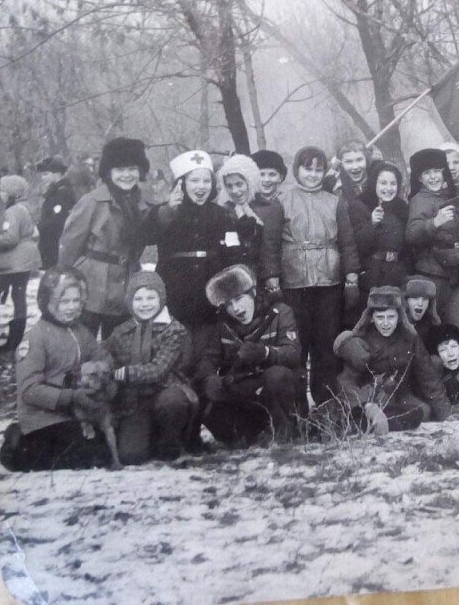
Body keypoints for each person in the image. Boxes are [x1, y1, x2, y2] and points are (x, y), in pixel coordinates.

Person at [0, 267, 110, 472]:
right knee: (82, 456)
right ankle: (18, 442)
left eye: (76, 301)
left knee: (104, 450)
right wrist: (71, 396)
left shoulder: (80, 331)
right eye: (64, 301)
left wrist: (102, 370)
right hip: (43, 417)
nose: (71, 307)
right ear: (47, 301)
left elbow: (101, 357)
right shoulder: (36, 337)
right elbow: (29, 390)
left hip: (74, 414)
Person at [143, 150, 242, 381]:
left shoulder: (221, 214)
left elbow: (232, 254)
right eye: (194, 180)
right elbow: (145, 236)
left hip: (210, 297)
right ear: (181, 183)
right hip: (175, 295)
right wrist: (167, 210)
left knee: (206, 357)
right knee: (179, 356)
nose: (201, 187)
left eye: (206, 181)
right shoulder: (166, 211)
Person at [279, 146, 360, 405]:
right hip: (294, 283)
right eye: (307, 169)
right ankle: (296, 407)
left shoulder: (334, 201)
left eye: (318, 169)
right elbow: (271, 244)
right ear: (296, 170)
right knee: (297, 344)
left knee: (326, 345)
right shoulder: (282, 200)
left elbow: (347, 242)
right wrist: (272, 279)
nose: (313, 174)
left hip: (329, 283)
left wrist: (351, 278)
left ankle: (326, 404)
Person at [199, 264, 307, 446]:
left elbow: (293, 352)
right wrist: (209, 379)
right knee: (205, 392)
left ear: (253, 293)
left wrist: (265, 353)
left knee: (277, 376)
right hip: (245, 390)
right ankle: (242, 438)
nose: (236, 308)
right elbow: (208, 359)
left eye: (239, 299)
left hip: (279, 391)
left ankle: (286, 436)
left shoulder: (279, 312)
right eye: (228, 304)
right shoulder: (223, 326)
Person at [59, 137, 151, 339]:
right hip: (92, 286)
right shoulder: (92, 201)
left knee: (119, 344)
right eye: (120, 169)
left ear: (140, 170)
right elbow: (70, 246)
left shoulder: (140, 203)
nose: (127, 175)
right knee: (84, 340)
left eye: (132, 169)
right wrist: (66, 283)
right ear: (108, 172)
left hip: (126, 283)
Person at [102, 271, 197, 463]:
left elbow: (157, 370)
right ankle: (148, 436)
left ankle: (170, 441)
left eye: (151, 298)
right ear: (130, 301)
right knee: (131, 455)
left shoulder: (173, 330)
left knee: (171, 403)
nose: (145, 304)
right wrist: (103, 364)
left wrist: (124, 373)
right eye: (138, 299)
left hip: (166, 391)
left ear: (160, 299)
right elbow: (102, 352)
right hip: (136, 400)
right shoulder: (122, 331)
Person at [334, 286, 451, 432]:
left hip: (400, 396)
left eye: (391, 317)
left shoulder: (410, 338)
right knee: (361, 416)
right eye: (380, 317)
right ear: (371, 318)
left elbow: (429, 378)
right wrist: (366, 405)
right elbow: (346, 381)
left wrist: (447, 415)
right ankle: (368, 422)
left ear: (400, 317)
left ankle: (382, 424)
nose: (385, 323)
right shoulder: (362, 340)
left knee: (424, 412)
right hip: (371, 399)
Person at [406, 148, 459, 331]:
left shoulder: (450, 196)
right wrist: (434, 223)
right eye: (427, 173)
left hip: (455, 274)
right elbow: (411, 235)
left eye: (437, 171)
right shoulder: (418, 200)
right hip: (431, 274)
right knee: (434, 324)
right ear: (419, 178)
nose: (433, 177)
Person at [0, 174, 42, 353]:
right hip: (25, 261)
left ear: (12, 193)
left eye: (3, 191)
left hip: (13, 263)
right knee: (19, 298)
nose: (0, 194)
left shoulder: (12, 212)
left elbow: (10, 238)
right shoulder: (25, 208)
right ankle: (14, 341)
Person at [217, 153, 283, 287]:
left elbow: (271, 246)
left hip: (263, 278)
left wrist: (271, 274)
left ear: (250, 182)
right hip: (234, 277)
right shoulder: (224, 210)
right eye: (229, 186)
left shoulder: (268, 208)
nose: (235, 191)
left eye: (239, 184)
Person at [351, 160, 410, 298]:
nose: (388, 188)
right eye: (383, 183)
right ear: (374, 183)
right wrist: (371, 223)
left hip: (397, 274)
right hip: (371, 274)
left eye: (393, 183)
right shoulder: (360, 206)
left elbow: (408, 246)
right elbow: (355, 245)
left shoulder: (402, 208)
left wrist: (405, 269)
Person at [38, 162, 95, 269]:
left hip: (55, 240)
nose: (44, 177)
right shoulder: (55, 190)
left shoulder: (63, 192)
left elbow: (58, 219)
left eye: (47, 174)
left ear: (57, 174)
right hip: (51, 240)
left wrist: (41, 227)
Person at [404, 274, 442, 347]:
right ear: (406, 301)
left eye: (425, 299)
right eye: (415, 298)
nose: (420, 303)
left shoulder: (431, 331)